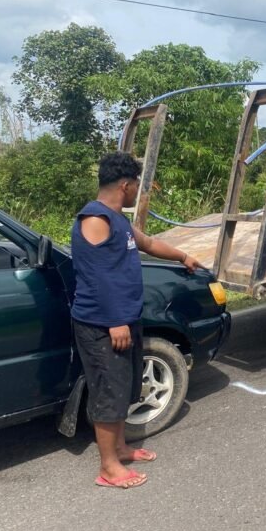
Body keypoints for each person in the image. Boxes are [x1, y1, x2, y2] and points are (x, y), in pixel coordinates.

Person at [71, 152, 204, 489]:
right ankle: (108, 468)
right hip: (103, 324)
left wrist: (183, 256)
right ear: (125, 185)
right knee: (109, 391)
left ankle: (120, 448)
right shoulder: (95, 218)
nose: (137, 192)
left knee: (124, 388)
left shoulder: (117, 220)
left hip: (124, 318)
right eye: (136, 186)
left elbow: (148, 243)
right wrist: (115, 320)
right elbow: (96, 275)